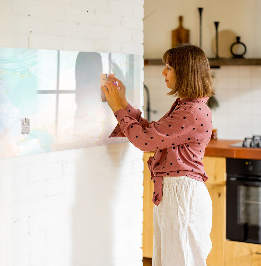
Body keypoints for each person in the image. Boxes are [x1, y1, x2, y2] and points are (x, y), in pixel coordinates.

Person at [102, 44, 214, 266]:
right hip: (177, 193)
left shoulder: (191, 111)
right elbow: (153, 133)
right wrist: (123, 103)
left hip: (182, 195)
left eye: (169, 67)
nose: (163, 72)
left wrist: (117, 108)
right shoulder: (187, 106)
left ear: (185, 72)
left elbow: (145, 141)